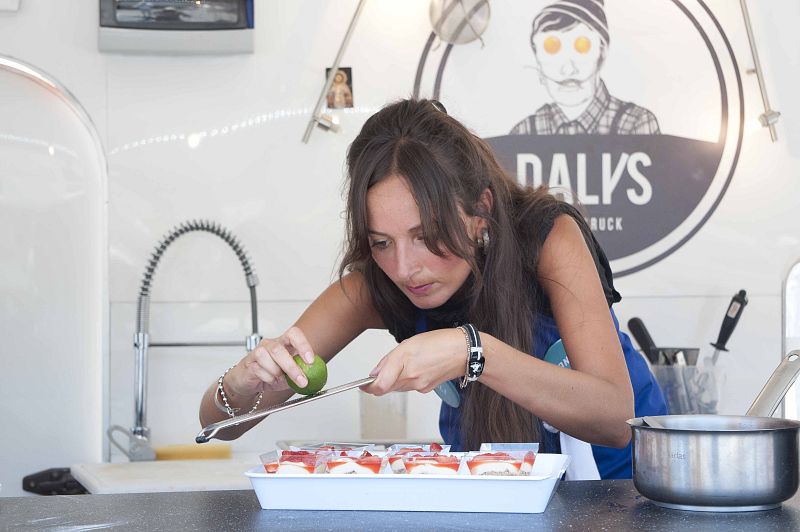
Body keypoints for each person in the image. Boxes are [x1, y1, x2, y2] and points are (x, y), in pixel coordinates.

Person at [199, 98, 666, 479]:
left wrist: (473, 351)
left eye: (426, 236)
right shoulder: (375, 285)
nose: (405, 269)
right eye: (381, 242)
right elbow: (220, 427)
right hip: (502, 495)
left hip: (624, 493)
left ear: (480, 211)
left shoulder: (547, 238)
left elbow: (614, 418)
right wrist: (240, 384)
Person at [510, 0, 660, 136]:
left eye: (582, 46)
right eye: (552, 48)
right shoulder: (523, 132)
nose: (568, 69)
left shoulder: (636, 124)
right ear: (537, 60)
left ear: (602, 53)